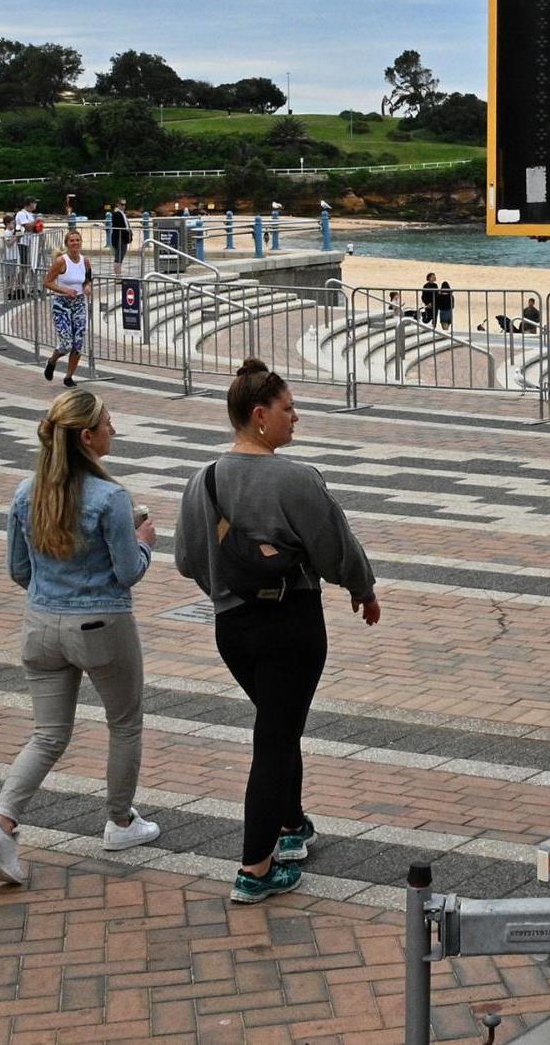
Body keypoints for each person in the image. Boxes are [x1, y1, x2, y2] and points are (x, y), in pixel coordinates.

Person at [176, 360, 382, 903]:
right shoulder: (295, 478)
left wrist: (225, 592)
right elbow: (336, 547)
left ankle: (291, 827)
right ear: (259, 415)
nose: (296, 418)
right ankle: (256, 867)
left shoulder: (205, 480)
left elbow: (185, 558)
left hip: (234, 629)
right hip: (292, 626)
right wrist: (362, 588)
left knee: (277, 722)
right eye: (288, 409)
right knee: (273, 738)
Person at [0, 389, 159, 887]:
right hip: (101, 624)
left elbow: (17, 570)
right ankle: (120, 822)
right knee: (124, 723)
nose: (113, 430)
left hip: (40, 625)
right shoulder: (111, 498)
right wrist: (144, 544)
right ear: (87, 437)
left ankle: (1, 822)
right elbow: (126, 572)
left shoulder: (25, 492)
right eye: (108, 424)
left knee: (48, 734)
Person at [43, 228, 91, 387]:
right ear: (67, 244)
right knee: (66, 343)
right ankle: (52, 360)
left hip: (79, 303)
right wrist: (64, 290)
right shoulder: (61, 261)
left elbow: (87, 279)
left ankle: (69, 376)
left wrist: (87, 286)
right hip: (62, 304)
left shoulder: (85, 261)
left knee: (77, 344)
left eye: (78, 240)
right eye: (72, 241)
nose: (75, 243)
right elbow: (47, 282)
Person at [14, 200, 42, 295]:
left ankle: (33, 287)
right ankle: (19, 288)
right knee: (24, 266)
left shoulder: (30, 214)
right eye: (34, 203)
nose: (36, 204)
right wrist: (36, 221)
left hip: (31, 242)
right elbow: (27, 227)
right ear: (30, 204)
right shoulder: (21, 214)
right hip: (23, 242)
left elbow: (34, 228)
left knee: (32, 265)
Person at [109, 200, 133, 277]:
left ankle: (118, 274)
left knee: (121, 255)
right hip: (119, 237)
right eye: (122, 204)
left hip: (123, 237)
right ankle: (118, 275)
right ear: (118, 204)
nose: (124, 206)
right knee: (118, 256)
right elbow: (119, 226)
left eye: (125, 204)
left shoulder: (122, 214)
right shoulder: (116, 214)